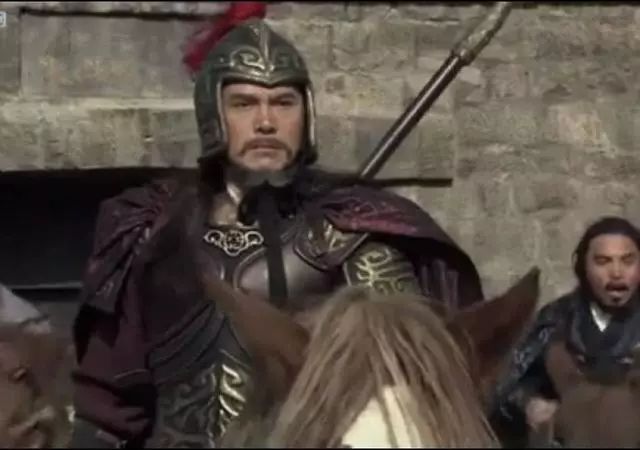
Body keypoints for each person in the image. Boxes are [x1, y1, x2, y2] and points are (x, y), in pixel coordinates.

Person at [68, 7, 485, 448]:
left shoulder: (355, 237)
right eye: (244, 104)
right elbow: (108, 408)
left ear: (306, 114)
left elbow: (406, 387)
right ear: (213, 113)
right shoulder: (155, 233)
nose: (266, 122)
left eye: (283, 103)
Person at [489, 216, 640, 446]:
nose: (617, 272)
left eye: (628, 261)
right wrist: (528, 403)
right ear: (583, 268)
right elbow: (506, 385)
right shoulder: (556, 319)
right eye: (603, 261)